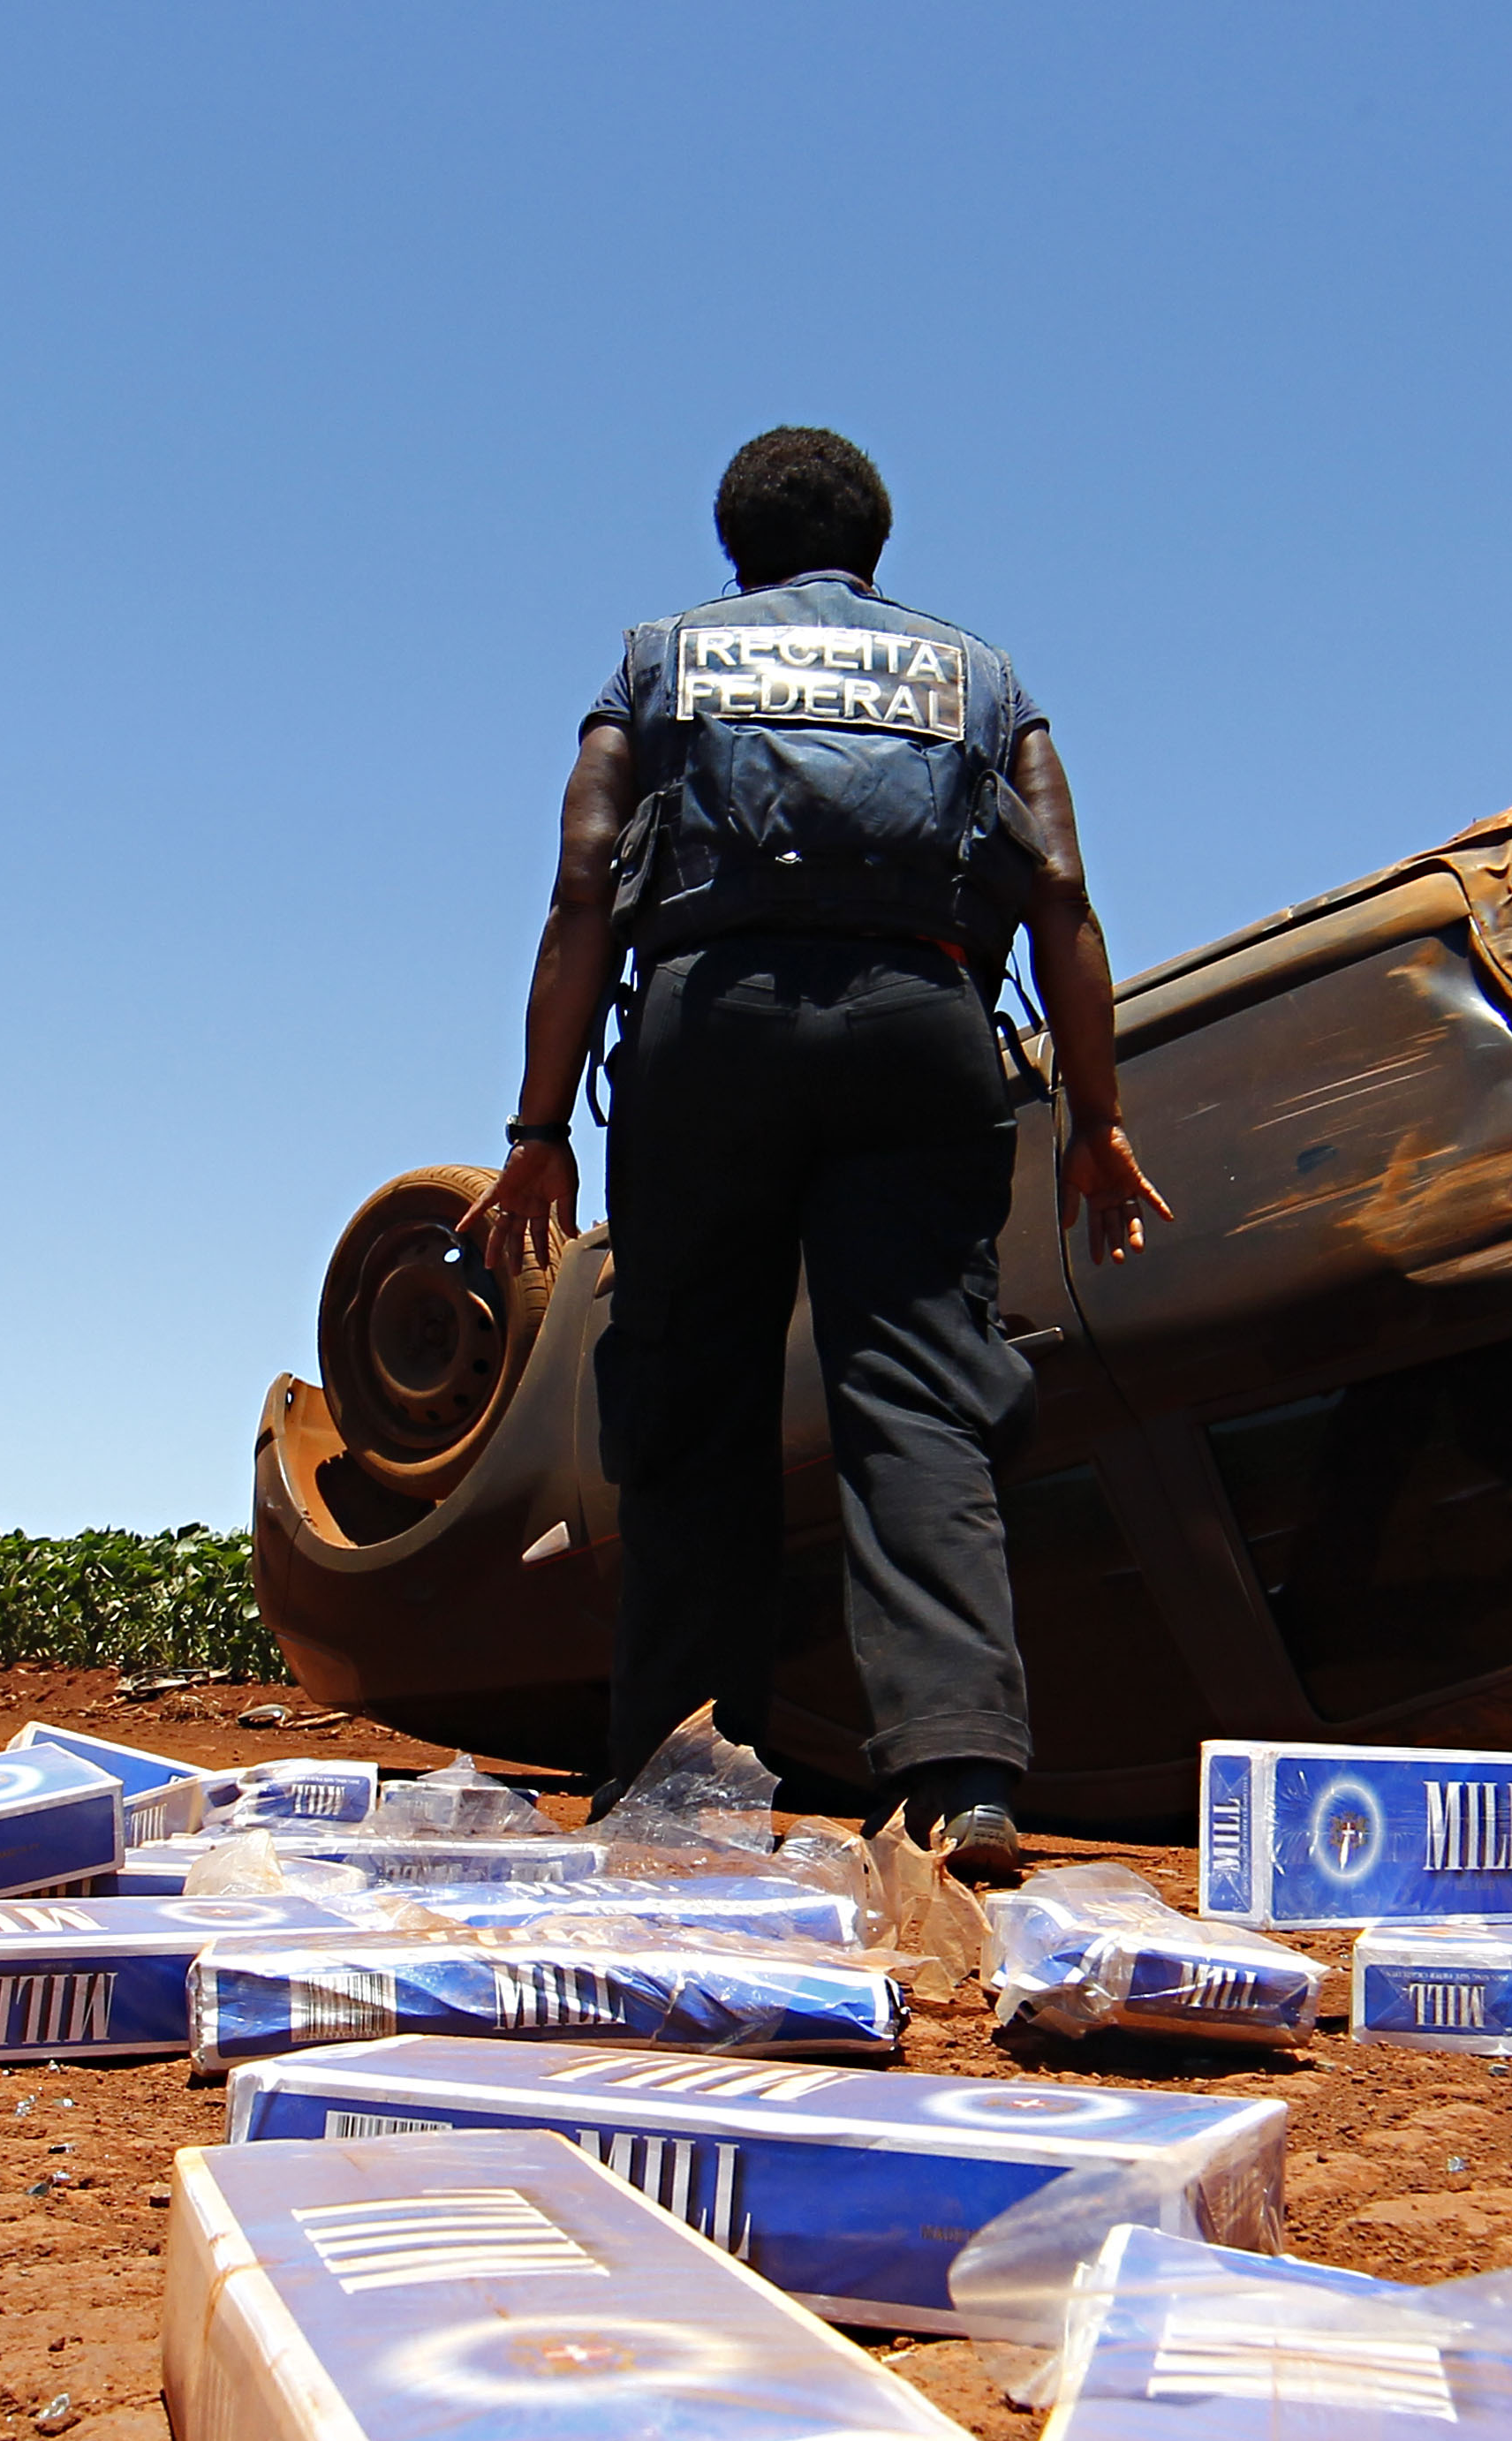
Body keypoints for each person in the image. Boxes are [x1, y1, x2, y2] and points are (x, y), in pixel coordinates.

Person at [457, 427, 1168, 1885]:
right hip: (922, 1026)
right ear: (877, 544)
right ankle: (960, 1780)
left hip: (710, 1027)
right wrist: (1099, 1121)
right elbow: (1063, 894)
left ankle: (682, 1787)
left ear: (734, 547)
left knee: (689, 1398)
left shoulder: (661, 662)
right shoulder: (982, 679)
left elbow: (583, 887)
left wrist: (537, 1130)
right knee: (921, 1394)